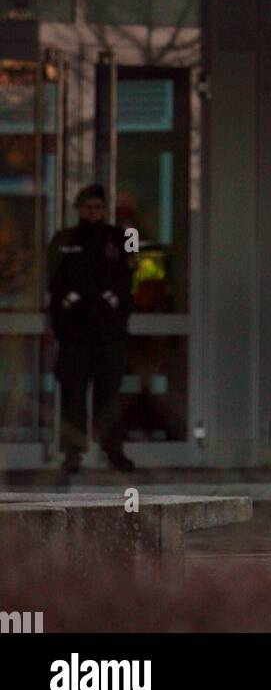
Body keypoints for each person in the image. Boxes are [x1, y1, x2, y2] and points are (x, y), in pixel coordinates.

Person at [47, 184, 135, 474]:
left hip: (108, 335)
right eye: (87, 207)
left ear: (104, 208)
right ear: (78, 209)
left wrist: (110, 301)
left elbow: (128, 278)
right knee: (72, 397)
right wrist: (71, 302)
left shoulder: (119, 239)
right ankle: (72, 453)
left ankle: (113, 451)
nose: (92, 212)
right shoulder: (64, 239)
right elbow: (53, 279)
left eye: (97, 207)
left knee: (108, 397)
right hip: (74, 335)